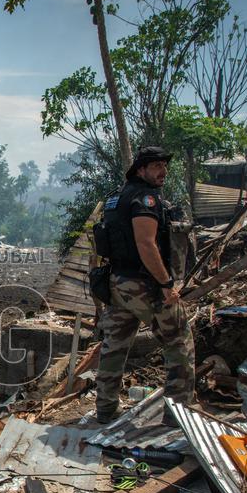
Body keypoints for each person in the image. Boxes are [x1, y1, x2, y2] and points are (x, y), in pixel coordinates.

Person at [94, 147, 195, 423]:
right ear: (140, 170)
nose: (163, 171)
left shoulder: (117, 198)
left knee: (114, 346)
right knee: (179, 342)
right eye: (155, 166)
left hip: (118, 284)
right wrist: (165, 283)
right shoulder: (145, 199)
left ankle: (105, 409)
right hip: (144, 285)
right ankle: (179, 417)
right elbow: (146, 243)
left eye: (164, 165)